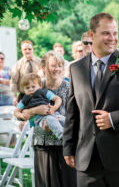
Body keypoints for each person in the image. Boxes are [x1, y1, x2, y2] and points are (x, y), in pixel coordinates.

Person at [63, 12, 119, 187]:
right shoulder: (76, 68)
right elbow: (72, 111)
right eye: (106, 33)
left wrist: (114, 119)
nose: (112, 38)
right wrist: (68, 146)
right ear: (92, 35)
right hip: (86, 159)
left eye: (115, 33)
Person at [19, 51, 76, 186]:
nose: (57, 69)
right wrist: (34, 110)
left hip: (64, 145)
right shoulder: (35, 85)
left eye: (60, 65)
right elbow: (20, 112)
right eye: (53, 65)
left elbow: (75, 115)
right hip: (42, 143)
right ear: (44, 67)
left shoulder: (69, 87)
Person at [14, 73, 65, 139]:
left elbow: (58, 99)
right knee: (50, 120)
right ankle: (62, 136)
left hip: (53, 114)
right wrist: (21, 115)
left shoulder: (44, 92)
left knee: (64, 119)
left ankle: (74, 136)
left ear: (40, 86)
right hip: (40, 120)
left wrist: (54, 107)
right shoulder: (24, 99)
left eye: (33, 86)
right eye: (27, 88)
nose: (30, 89)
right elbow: (16, 111)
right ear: (24, 90)